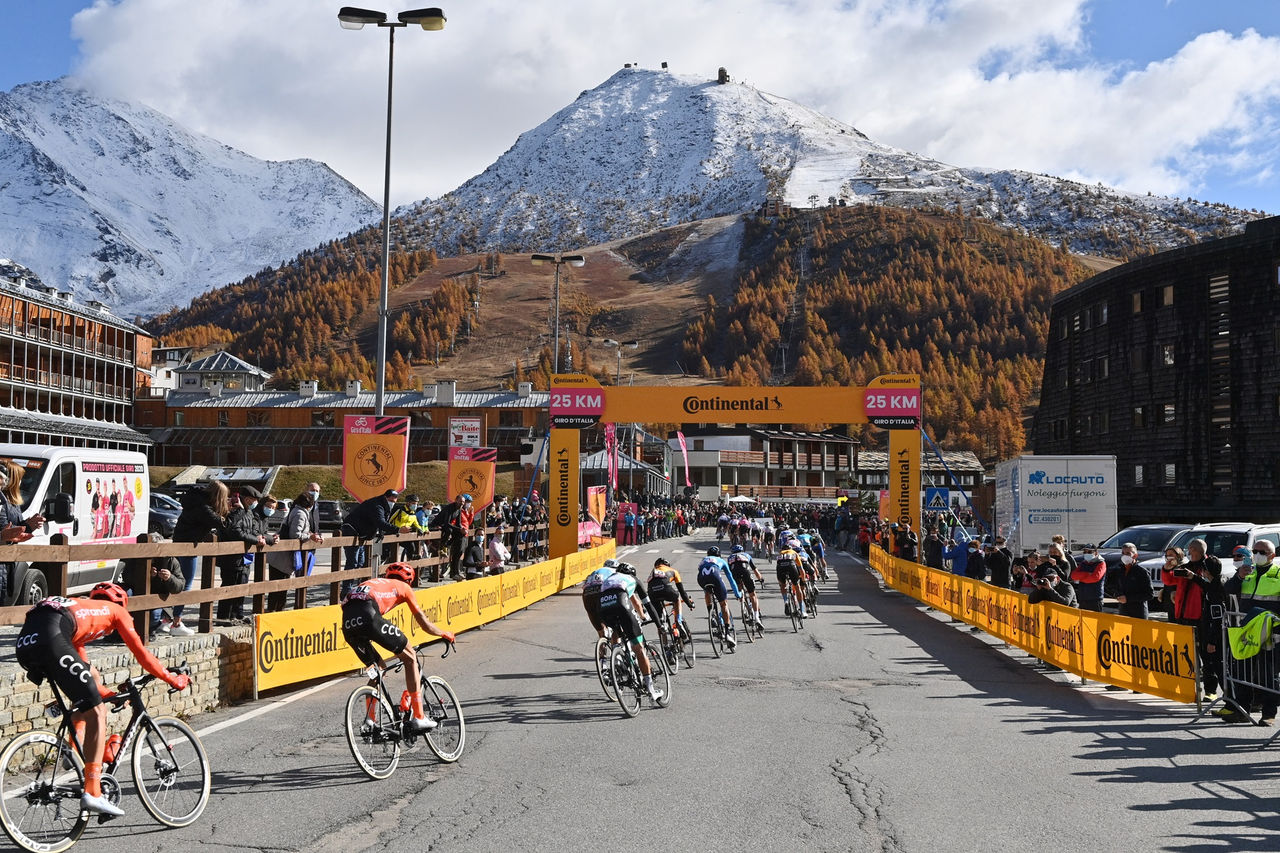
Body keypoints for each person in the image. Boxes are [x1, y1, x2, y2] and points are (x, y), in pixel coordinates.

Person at [15, 582, 190, 816]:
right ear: (120, 602)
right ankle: (93, 791)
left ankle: (71, 753)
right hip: (52, 636)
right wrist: (172, 679)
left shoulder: (80, 607)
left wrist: (108, 694)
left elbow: (88, 675)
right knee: (98, 712)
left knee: (87, 699)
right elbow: (143, 655)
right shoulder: (116, 611)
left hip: (26, 644)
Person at [342, 563, 455, 734]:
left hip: (348, 624)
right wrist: (443, 633)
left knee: (378, 669)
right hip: (369, 616)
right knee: (410, 657)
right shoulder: (404, 587)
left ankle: (371, 720)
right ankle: (419, 717)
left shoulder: (372, 582)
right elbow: (424, 624)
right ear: (409, 580)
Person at [168, 480, 230, 635]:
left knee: (174, 581)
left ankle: (165, 619)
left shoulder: (195, 500)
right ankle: (176, 622)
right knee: (186, 584)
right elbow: (222, 523)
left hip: (179, 542)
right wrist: (234, 511)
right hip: (188, 547)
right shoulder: (204, 508)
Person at [597, 563, 663, 700]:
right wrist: (659, 625)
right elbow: (648, 605)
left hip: (602, 607)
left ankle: (618, 658)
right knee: (639, 648)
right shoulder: (633, 579)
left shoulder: (609, 578)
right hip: (621, 603)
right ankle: (651, 690)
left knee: (617, 628)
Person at [1236, 540, 1280, 725]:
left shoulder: (1278, 573)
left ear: (1272, 555)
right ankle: (1241, 710)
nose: (1257, 554)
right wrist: (1238, 577)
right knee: (1242, 672)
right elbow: (1227, 591)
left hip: (1270, 632)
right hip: (1247, 632)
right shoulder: (1248, 572)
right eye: (1254, 551)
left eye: (1262, 551)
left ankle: (1269, 714)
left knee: (1268, 674)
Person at [217, 487, 277, 622]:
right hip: (231, 557)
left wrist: (266, 539)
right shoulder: (234, 511)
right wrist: (256, 540)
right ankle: (224, 617)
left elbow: (255, 531)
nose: (255, 503)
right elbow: (235, 531)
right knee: (229, 586)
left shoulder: (249, 512)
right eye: (253, 500)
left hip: (244, 557)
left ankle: (237, 614)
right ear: (247, 499)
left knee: (242, 585)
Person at [267, 491, 323, 612]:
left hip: (281, 558)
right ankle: (274, 613)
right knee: (279, 589)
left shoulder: (295, 510)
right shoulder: (300, 514)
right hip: (282, 558)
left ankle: (274, 612)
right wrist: (309, 536)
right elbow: (295, 534)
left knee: (278, 589)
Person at [0, 459, 45, 602]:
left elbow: (13, 528)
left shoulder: (12, 502)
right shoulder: (2, 501)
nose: (21, 483)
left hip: (8, 559)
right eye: (20, 479)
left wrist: (29, 525)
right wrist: (11, 533)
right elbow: (5, 529)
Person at [341, 489, 411, 577]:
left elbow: (382, 521)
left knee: (361, 562)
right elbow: (380, 522)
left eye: (394, 501)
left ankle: (357, 586)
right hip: (352, 531)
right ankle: (346, 589)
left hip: (362, 534)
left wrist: (381, 533)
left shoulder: (385, 506)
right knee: (352, 562)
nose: (392, 503)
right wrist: (398, 529)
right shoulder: (377, 505)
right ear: (385, 497)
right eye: (390, 500)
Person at [697, 546, 738, 649]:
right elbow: (730, 578)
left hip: (701, 579)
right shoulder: (721, 560)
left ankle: (711, 614)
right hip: (715, 577)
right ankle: (728, 633)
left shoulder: (703, 560)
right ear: (719, 554)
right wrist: (737, 593)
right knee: (724, 604)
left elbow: (701, 571)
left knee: (707, 590)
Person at [647, 557, 696, 638]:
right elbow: (682, 592)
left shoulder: (652, 573)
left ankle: (665, 647)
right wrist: (689, 604)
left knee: (661, 624)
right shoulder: (673, 571)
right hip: (666, 589)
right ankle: (679, 621)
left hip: (652, 593)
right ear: (668, 565)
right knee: (677, 599)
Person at [727, 544, 766, 631]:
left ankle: (744, 608)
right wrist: (760, 579)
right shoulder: (746, 555)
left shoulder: (730, 558)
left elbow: (729, 572)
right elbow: (754, 569)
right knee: (752, 594)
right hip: (745, 571)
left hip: (735, 574)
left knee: (740, 591)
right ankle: (757, 618)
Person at [1115, 542, 1152, 619]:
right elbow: (1117, 587)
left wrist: (1128, 598)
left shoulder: (1142, 572)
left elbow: (1149, 594)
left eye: (1128, 553)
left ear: (1135, 555)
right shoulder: (1120, 570)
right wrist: (1117, 595)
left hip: (1138, 612)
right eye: (1123, 553)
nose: (1125, 556)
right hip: (1123, 611)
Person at [1070, 545, 1107, 611]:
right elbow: (1073, 576)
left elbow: (1095, 578)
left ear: (1095, 553)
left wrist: (1081, 577)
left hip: (1095, 598)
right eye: (1085, 552)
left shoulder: (1101, 563)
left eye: (1089, 552)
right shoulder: (1083, 563)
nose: (1087, 554)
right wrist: (1087, 574)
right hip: (1083, 597)